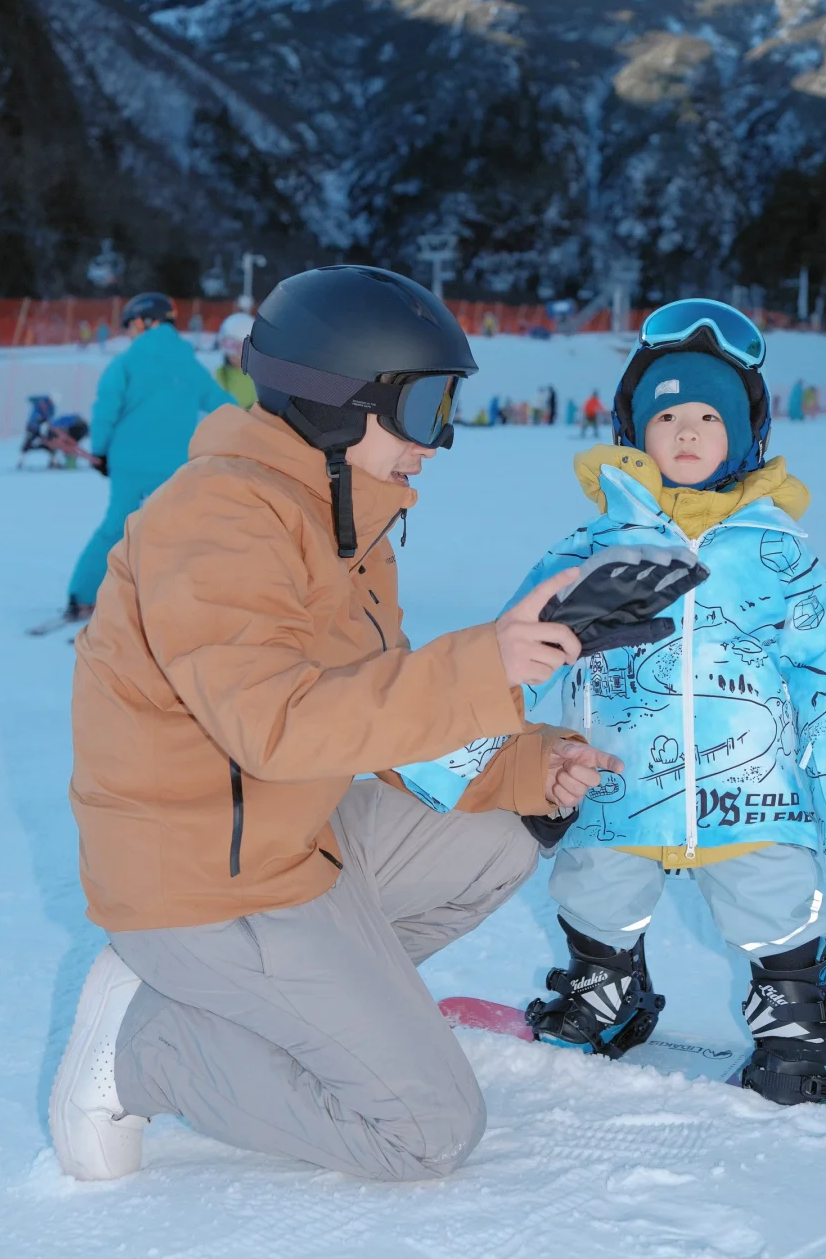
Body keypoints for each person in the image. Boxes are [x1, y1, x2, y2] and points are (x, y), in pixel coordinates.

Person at [49, 266, 619, 1186]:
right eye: (425, 408)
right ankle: (148, 1047)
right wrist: (486, 665)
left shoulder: (344, 520)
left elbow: (377, 711)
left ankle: (273, 1008)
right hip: (205, 889)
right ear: (340, 400)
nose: (438, 442)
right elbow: (274, 727)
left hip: (288, 848)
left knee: (496, 841)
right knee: (428, 1130)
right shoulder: (217, 521)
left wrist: (523, 767)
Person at [413, 300, 826, 1104]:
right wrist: (448, 767)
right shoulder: (591, 550)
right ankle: (605, 990)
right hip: (618, 780)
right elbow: (511, 659)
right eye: (667, 413)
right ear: (636, 429)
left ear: (745, 432)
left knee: (774, 903)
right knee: (595, 889)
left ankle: (796, 1025)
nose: (687, 430)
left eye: (709, 414)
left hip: (753, 792)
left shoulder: (780, 558)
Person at [62, 293, 236, 623]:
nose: (129, 333)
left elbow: (106, 410)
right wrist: (255, 422)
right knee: (173, 530)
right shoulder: (189, 363)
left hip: (128, 463)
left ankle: (83, 596)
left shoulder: (126, 363)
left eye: (130, 326)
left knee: (115, 528)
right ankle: (173, 599)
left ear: (145, 321)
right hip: (175, 465)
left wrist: (99, 452)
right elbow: (221, 403)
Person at [214, 311, 257, 408]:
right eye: (228, 346)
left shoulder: (259, 379)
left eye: (237, 347)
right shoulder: (221, 374)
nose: (232, 354)